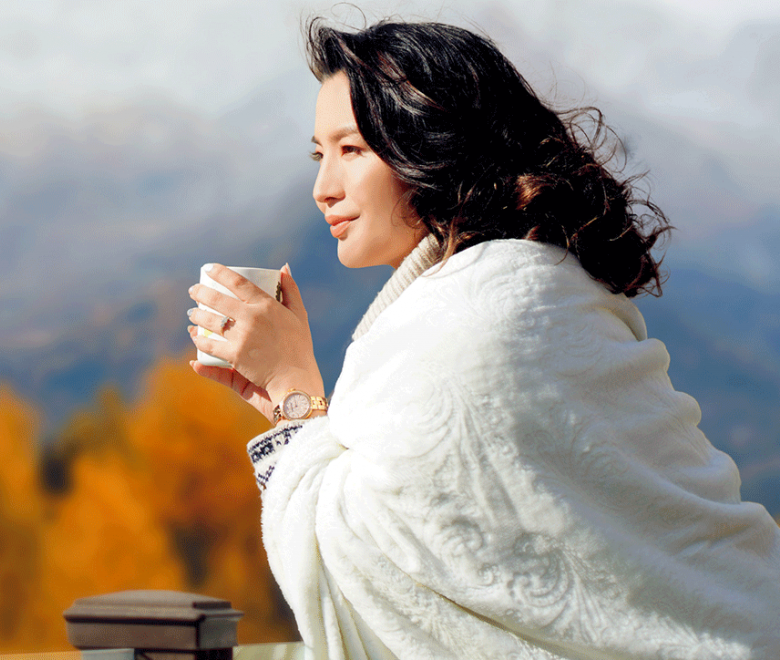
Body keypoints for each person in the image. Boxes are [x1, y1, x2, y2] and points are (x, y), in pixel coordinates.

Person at [186, 19, 780, 660]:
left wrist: (294, 391)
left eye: (352, 150)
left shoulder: (480, 318)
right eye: (318, 154)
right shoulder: (520, 291)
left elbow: (364, 567)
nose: (322, 188)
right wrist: (284, 405)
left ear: (431, 147)